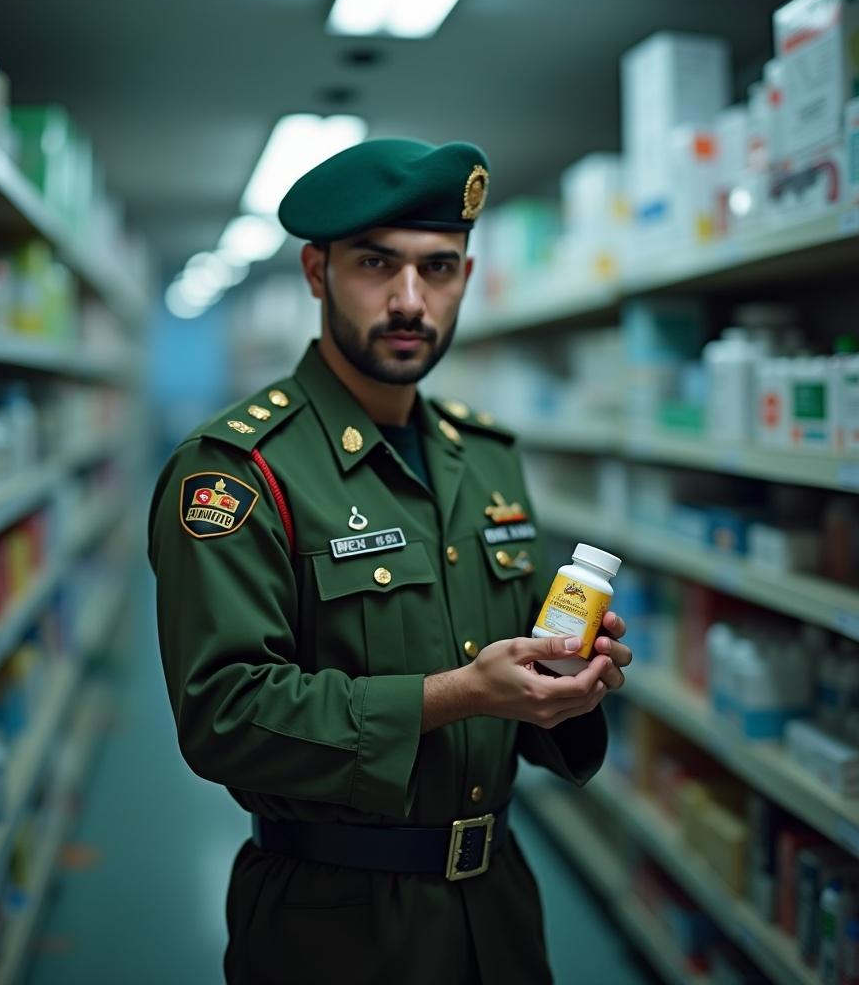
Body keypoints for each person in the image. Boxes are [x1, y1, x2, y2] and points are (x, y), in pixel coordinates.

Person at [148, 138, 631, 984]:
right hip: (332, 924)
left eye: (439, 268)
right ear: (315, 272)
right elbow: (223, 715)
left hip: (501, 911)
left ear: (467, 279)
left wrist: (566, 684)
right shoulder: (238, 471)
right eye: (378, 264)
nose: (411, 300)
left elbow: (520, 667)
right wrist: (460, 695)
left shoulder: (485, 458)